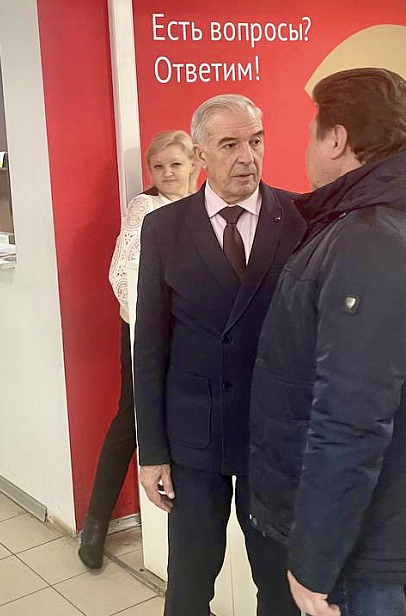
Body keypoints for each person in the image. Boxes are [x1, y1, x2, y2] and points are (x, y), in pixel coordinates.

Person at [247, 68, 406, 616]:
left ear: (337, 138)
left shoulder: (370, 240)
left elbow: (350, 419)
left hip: (365, 542)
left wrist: (314, 557)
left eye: (312, 134)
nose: (307, 148)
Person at [134, 95, 305, 615]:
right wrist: (152, 451)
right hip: (194, 437)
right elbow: (150, 345)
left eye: (255, 141)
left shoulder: (299, 218)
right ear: (201, 153)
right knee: (188, 586)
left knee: (280, 586)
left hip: (272, 436)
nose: (246, 157)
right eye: (230, 144)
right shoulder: (164, 228)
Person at [79, 130, 199, 570]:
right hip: (142, 332)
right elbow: (123, 274)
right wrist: (153, 326)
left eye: (176, 164)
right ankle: (95, 524)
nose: (167, 173)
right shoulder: (144, 208)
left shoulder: (205, 207)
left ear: (194, 164)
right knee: (131, 418)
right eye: (158, 166)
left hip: (191, 333)